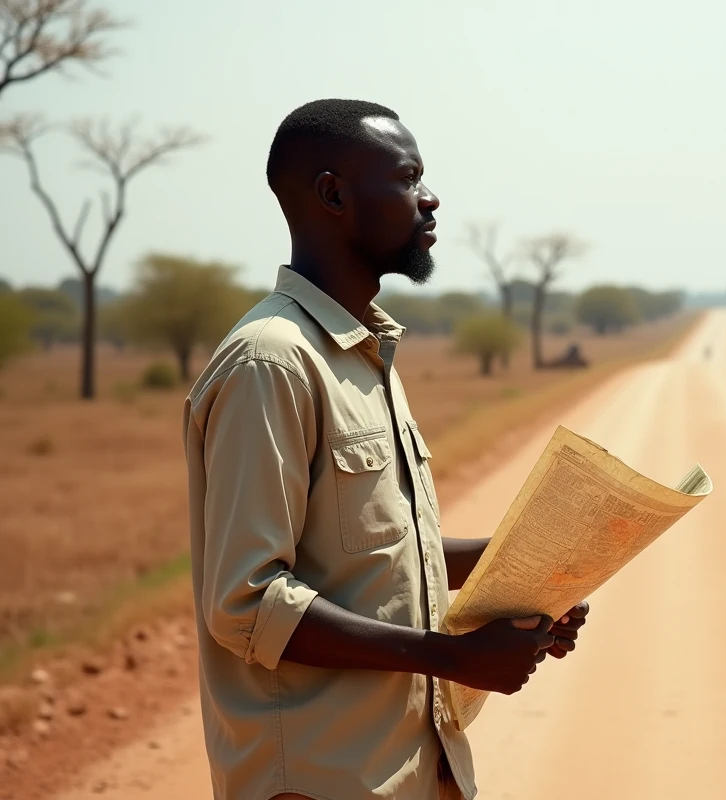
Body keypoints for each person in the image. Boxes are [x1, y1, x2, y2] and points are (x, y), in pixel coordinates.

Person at [183, 99, 589, 800]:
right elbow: (246, 602)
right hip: (321, 781)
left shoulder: (361, 350)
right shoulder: (272, 362)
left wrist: (528, 578)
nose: (430, 199)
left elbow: (380, 555)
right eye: (407, 178)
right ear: (333, 194)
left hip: (408, 772)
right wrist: (453, 658)